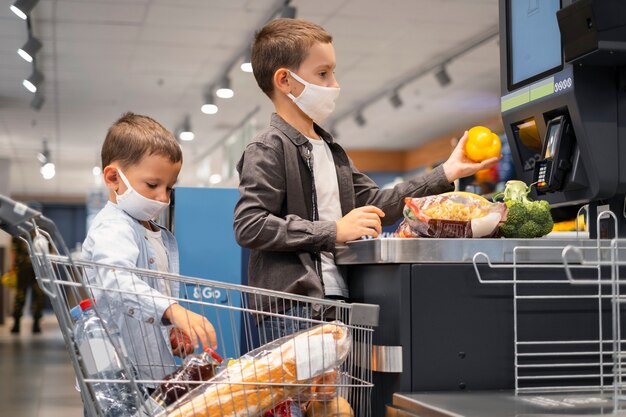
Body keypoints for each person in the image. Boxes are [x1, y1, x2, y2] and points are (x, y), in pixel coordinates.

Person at [234, 17, 499, 337]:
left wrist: (446, 172)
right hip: (295, 309)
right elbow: (250, 225)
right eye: (322, 73)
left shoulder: (332, 151)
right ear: (285, 80)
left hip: (335, 302)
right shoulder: (268, 148)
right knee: (303, 391)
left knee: (336, 390)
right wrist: (333, 230)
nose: (334, 84)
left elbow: (377, 203)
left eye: (333, 72)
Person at [82, 112, 217, 384]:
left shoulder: (154, 233)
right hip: (119, 377)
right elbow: (117, 279)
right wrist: (172, 310)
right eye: (153, 185)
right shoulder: (113, 227)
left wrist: (169, 331)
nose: (163, 198)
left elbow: (148, 299)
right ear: (113, 177)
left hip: (149, 372)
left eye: (169, 188)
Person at [10, 235, 45, 334]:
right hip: (23, 268)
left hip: (37, 268)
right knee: (20, 295)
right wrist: (12, 266)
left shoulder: (40, 229)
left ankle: (36, 323)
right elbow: (14, 250)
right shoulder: (18, 230)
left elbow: (48, 249)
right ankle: (16, 322)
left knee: (38, 295)